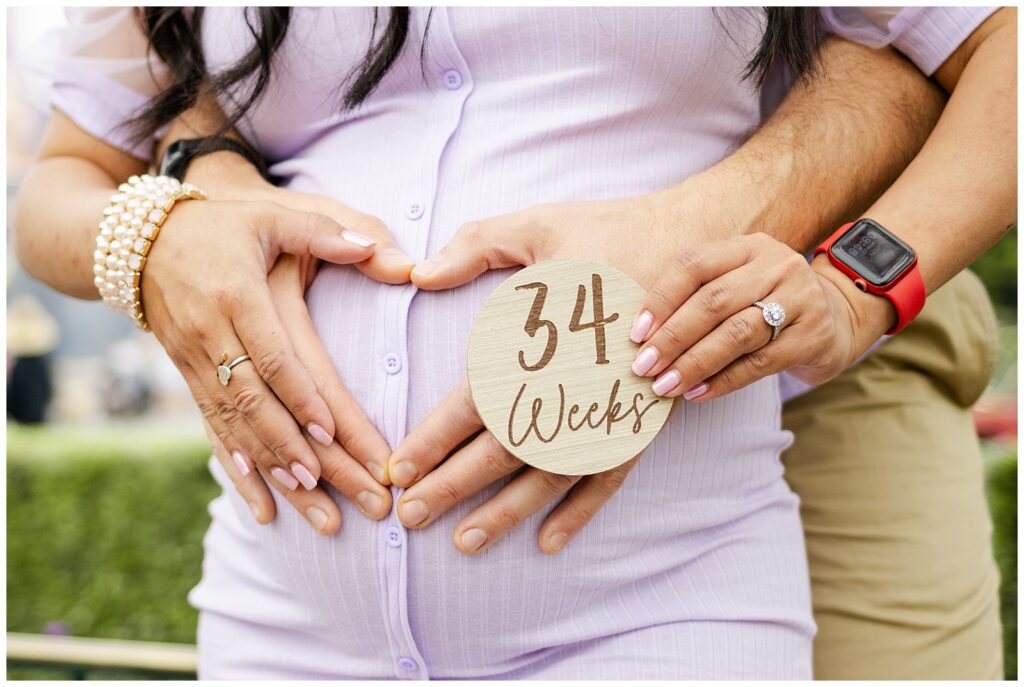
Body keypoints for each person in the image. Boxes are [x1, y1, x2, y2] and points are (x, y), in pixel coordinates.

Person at [14, 7, 1013, 679]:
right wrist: (159, 238)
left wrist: (859, 285)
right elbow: (69, 173)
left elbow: (980, 42)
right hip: (280, 609)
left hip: (664, 591)